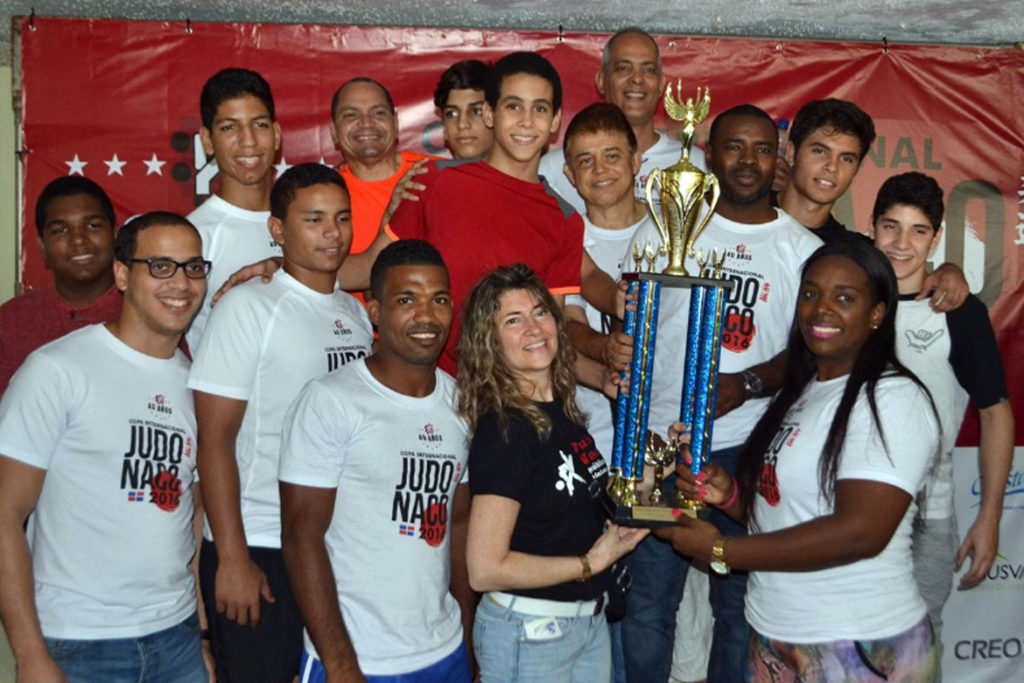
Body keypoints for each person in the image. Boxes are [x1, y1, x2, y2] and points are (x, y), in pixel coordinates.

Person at [661, 237, 941, 682]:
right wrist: (730, 495)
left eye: (844, 298)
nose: (822, 309)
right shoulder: (804, 392)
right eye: (811, 294)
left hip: (857, 646)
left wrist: (720, 550)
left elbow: (859, 534)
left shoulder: (892, 399)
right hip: (775, 638)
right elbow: (784, 516)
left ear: (877, 314)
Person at [621, 104, 823, 683]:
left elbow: (814, 351)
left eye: (761, 148)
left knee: (737, 611)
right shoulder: (660, 230)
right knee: (648, 608)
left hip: (745, 451)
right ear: (708, 154)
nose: (747, 160)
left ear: (778, 159)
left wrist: (745, 384)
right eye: (733, 146)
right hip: (661, 448)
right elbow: (629, 330)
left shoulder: (802, 251)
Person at [0, 212, 210, 682]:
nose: (181, 282)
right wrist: (32, 657)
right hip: (79, 644)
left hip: (176, 641)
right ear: (121, 274)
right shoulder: (58, 370)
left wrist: (199, 637)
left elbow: (189, 514)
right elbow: (4, 514)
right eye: (160, 265)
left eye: (194, 267)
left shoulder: (197, 385)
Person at [188, 163, 373, 682]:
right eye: (313, 219)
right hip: (260, 544)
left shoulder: (355, 314)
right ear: (278, 230)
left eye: (341, 218)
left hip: (330, 545)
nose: (332, 233)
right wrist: (232, 557)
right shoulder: (247, 307)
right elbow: (215, 439)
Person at [280, 239, 473, 683]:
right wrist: (341, 664)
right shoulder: (331, 400)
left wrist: (466, 631)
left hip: (445, 651)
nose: (426, 316)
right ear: (374, 311)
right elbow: (301, 538)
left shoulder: (461, 403)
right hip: (359, 660)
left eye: (439, 299)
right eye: (406, 300)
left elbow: (458, 524)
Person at [459, 263, 647, 682]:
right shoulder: (505, 430)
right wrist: (589, 562)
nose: (534, 327)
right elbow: (485, 567)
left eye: (541, 312)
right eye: (513, 320)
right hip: (530, 632)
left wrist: (665, 459)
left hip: (586, 623)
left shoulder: (560, 411)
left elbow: (589, 501)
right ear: (489, 343)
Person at [385, 51, 618, 376]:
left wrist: (603, 377)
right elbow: (375, 273)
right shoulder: (434, 181)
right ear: (490, 114)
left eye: (539, 108)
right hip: (429, 393)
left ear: (554, 121)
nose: (526, 120)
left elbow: (547, 339)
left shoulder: (563, 220)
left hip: (511, 403)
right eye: (513, 106)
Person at [870, 172, 1013, 671]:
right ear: (871, 227)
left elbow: (995, 411)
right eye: (891, 226)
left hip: (927, 518)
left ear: (935, 236)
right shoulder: (845, 298)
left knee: (915, 653)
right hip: (843, 509)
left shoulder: (957, 312)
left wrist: (989, 518)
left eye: (918, 231)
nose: (901, 243)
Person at [776, 98, 967, 311]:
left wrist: (949, 272)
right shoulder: (743, 218)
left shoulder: (857, 254)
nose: (832, 166)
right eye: (819, 151)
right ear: (792, 153)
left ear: (856, 169)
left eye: (846, 158)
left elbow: (907, 272)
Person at [538, 27, 706, 213]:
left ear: (660, 85)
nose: (636, 79)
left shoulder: (693, 163)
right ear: (601, 80)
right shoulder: (553, 169)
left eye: (648, 70)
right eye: (624, 68)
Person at [0, 176, 120, 394]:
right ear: (42, 245)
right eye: (60, 230)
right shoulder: (10, 321)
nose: (78, 240)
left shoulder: (148, 312)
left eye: (93, 226)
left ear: (115, 233)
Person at [331, 77, 437, 256]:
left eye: (378, 113)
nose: (366, 123)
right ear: (334, 131)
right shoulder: (323, 194)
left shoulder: (434, 173)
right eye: (351, 115)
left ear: (395, 123)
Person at [434, 59, 494, 160]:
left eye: (476, 111)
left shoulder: (526, 175)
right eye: (452, 114)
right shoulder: (426, 174)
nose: (462, 124)